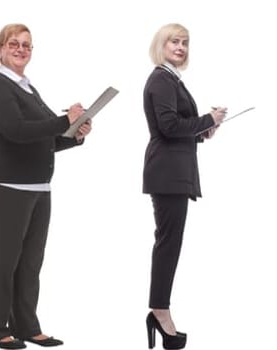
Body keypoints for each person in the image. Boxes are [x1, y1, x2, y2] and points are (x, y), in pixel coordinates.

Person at [0, 23, 91, 349]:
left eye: (27, 45)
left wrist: (75, 134)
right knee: (1, 260)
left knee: (29, 263)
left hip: (37, 186)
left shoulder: (27, 88)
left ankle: (26, 326)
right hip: (5, 183)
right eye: (14, 43)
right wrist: (65, 121)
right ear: (0, 49)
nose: (21, 49)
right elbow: (17, 131)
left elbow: (46, 138)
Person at [140, 22, 219, 350]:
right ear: (162, 44)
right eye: (174, 41)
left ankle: (159, 309)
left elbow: (176, 126)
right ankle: (160, 310)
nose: (180, 47)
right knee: (168, 243)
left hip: (174, 171)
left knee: (170, 242)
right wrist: (207, 120)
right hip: (167, 173)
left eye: (185, 42)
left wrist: (203, 131)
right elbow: (170, 127)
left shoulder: (171, 79)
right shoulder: (161, 79)